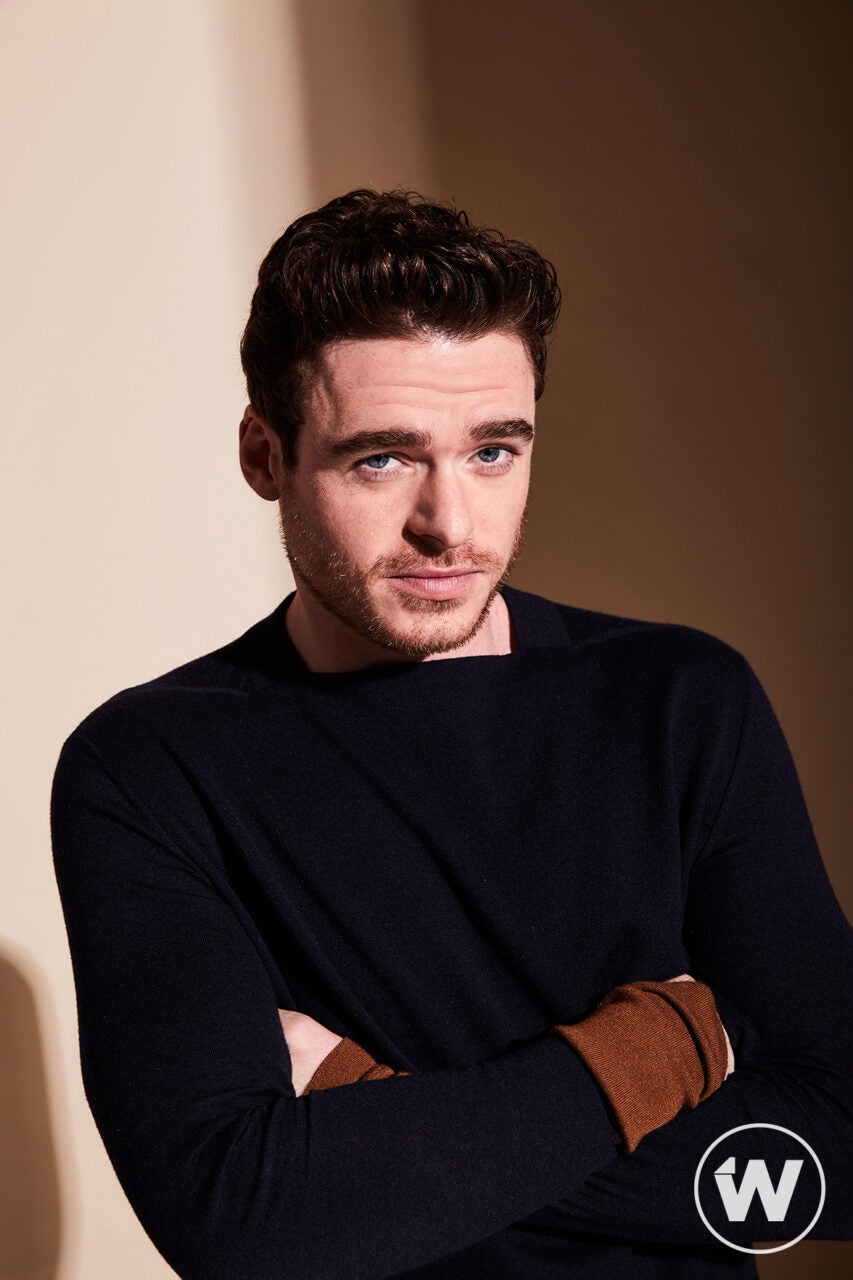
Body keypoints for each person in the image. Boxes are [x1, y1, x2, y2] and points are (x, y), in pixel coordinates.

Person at [51, 189, 851, 1280]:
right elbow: (241, 1223)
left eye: (493, 452)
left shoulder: (678, 700)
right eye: (381, 458)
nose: (450, 525)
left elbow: (835, 1149)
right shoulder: (150, 766)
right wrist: (652, 1052)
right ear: (265, 455)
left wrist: (370, 1115)